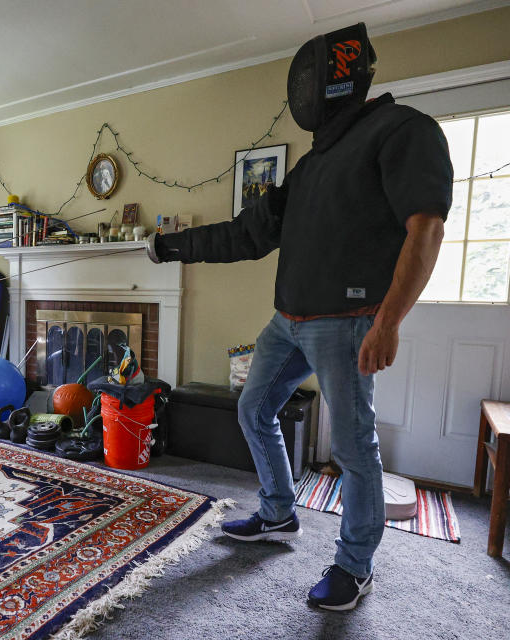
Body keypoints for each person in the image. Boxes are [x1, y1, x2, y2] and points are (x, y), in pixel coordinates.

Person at [146, 23, 453, 610]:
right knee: (254, 407)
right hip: (286, 321)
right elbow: (247, 234)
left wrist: (388, 321)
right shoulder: (311, 167)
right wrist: (171, 246)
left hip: (348, 322)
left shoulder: (403, 131)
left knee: (354, 449)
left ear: (345, 78)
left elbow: (427, 227)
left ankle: (354, 566)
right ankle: (278, 511)